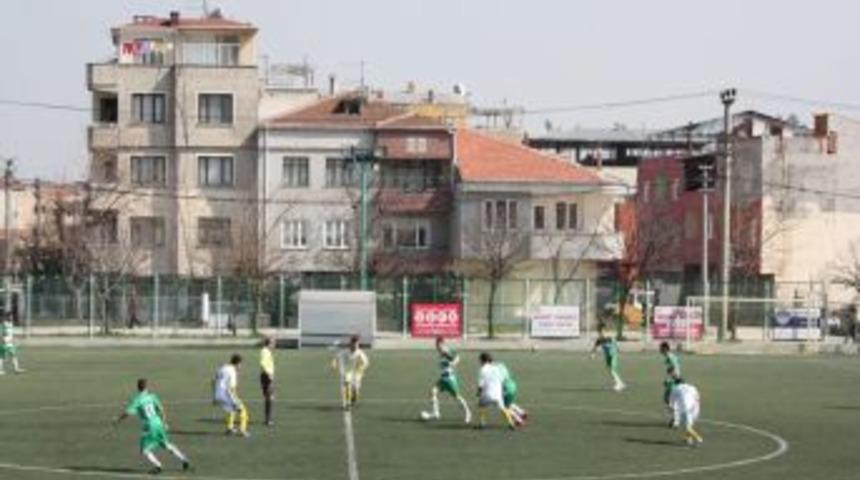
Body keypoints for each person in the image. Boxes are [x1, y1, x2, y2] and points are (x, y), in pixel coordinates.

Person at [114, 378, 191, 475]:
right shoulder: (152, 396)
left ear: (138, 387)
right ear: (147, 387)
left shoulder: (137, 400)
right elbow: (161, 410)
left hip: (149, 426)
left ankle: (158, 466)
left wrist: (118, 419)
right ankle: (184, 460)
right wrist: (164, 423)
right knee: (166, 444)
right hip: (158, 423)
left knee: (145, 450)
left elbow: (128, 413)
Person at [422, 336, 471, 423]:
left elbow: (457, 357)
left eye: (437, 344)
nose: (436, 346)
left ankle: (468, 413)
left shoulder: (446, 351)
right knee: (433, 392)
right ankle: (435, 413)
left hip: (449, 379)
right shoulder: (441, 353)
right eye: (436, 344)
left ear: (441, 344)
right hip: (442, 379)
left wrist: (453, 363)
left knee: (457, 397)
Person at [476, 352, 517, 430]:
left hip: (487, 394)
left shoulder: (482, 369)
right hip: (498, 394)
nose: (479, 362)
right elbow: (502, 380)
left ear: (483, 360)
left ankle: (482, 424)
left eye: (480, 360)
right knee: (503, 409)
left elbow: (481, 384)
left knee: (481, 405)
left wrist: (478, 393)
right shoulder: (496, 368)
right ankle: (511, 423)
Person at [213, 353, 249, 437]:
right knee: (243, 410)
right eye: (241, 364)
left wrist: (214, 397)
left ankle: (229, 429)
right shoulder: (232, 371)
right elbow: (231, 388)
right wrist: (235, 401)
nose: (241, 366)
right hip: (227, 394)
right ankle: (243, 431)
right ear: (238, 363)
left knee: (231, 410)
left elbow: (213, 381)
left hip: (218, 394)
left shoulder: (222, 367)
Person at [331, 335, 369, 409]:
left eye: (357, 343)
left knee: (355, 391)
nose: (355, 345)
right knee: (347, 384)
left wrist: (361, 368)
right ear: (351, 343)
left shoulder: (360, 353)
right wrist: (334, 364)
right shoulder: (345, 351)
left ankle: (353, 398)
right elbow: (336, 357)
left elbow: (366, 363)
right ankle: (346, 403)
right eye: (354, 343)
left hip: (357, 373)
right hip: (347, 371)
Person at [668, 376, 703, 446]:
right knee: (689, 425)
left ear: (676, 383)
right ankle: (688, 439)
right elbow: (697, 397)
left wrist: (674, 418)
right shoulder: (692, 387)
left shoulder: (675, 388)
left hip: (686, 408)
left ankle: (699, 439)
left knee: (687, 427)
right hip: (695, 408)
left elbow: (671, 404)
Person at [496, 361, 527, 426]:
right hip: (512, 385)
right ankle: (521, 412)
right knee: (507, 403)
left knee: (504, 407)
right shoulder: (501, 365)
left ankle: (518, 420)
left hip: (506, 388)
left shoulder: (494, 371)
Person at [660, 341, 682, 409]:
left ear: (665, 349)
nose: (660, 350)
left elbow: (672, 368)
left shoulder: (669, 357)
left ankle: (675, 414)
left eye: (661, 348)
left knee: (667, 398)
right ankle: (675, 414)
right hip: (674, 379)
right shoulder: (671, 356)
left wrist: (671, 379)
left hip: (673, 380)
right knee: (669, 399)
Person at [259, 337, 276, 426]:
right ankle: (268, 420)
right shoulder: (265, 351)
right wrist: (269, 376)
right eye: (273, 343)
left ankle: (268, 418)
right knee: (269, 398)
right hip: (266, 376)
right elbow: (263, 364)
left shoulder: (267, 351)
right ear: (269, 343)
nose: (274, 345)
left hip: (268, 376)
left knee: (270, 398)